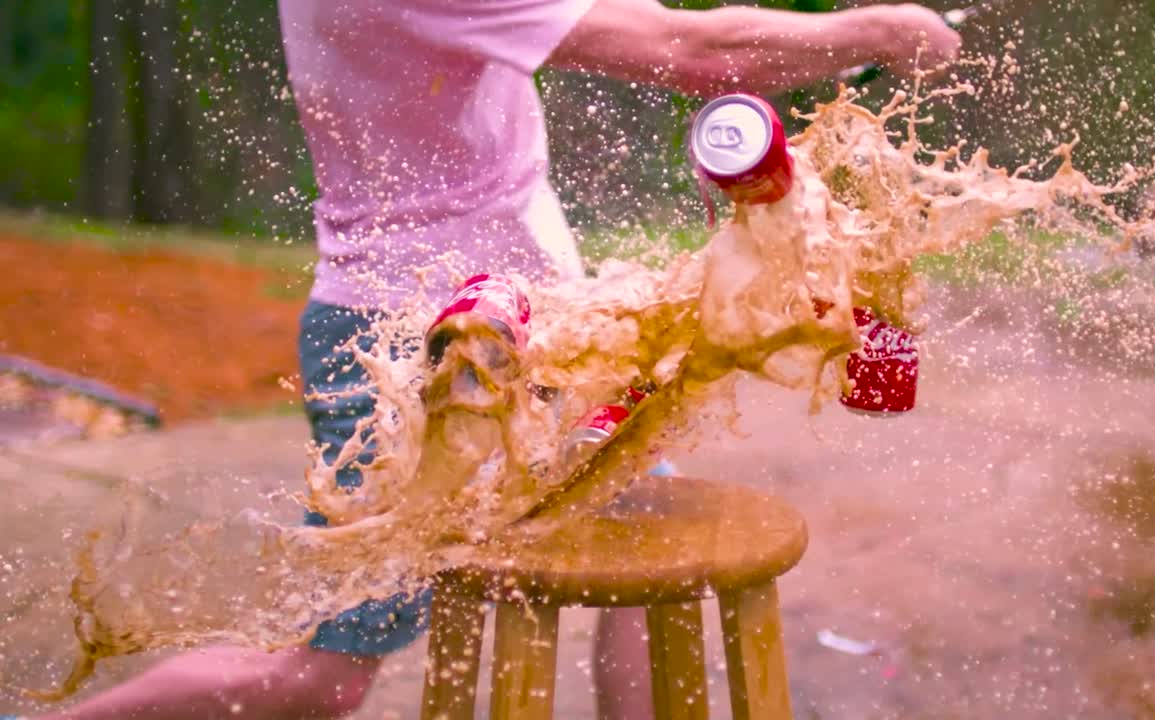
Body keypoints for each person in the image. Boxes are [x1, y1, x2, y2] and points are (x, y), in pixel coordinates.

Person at [18, 1, 957, 718]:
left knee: (635, 540)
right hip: (415, 342)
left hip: (533, 321)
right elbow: (698, 54)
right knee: (321, 679)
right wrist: (874, 28)